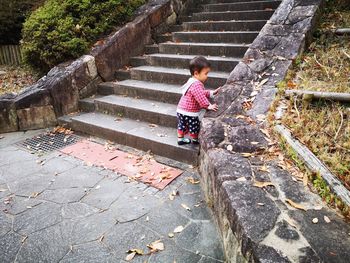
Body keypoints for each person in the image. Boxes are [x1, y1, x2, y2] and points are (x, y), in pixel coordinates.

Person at [176, 56, 220, 145]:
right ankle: (195, 139)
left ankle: (180, 139)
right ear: (196, 73)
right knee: (194, 125)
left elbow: (201, 93)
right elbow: (200, 96)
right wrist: (208, 106)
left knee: (182, 125)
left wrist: (212, 93)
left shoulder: (191, 81)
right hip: (190, 112)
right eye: (206, 73)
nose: (207, 76)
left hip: (181, 110)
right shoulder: (196, 84)